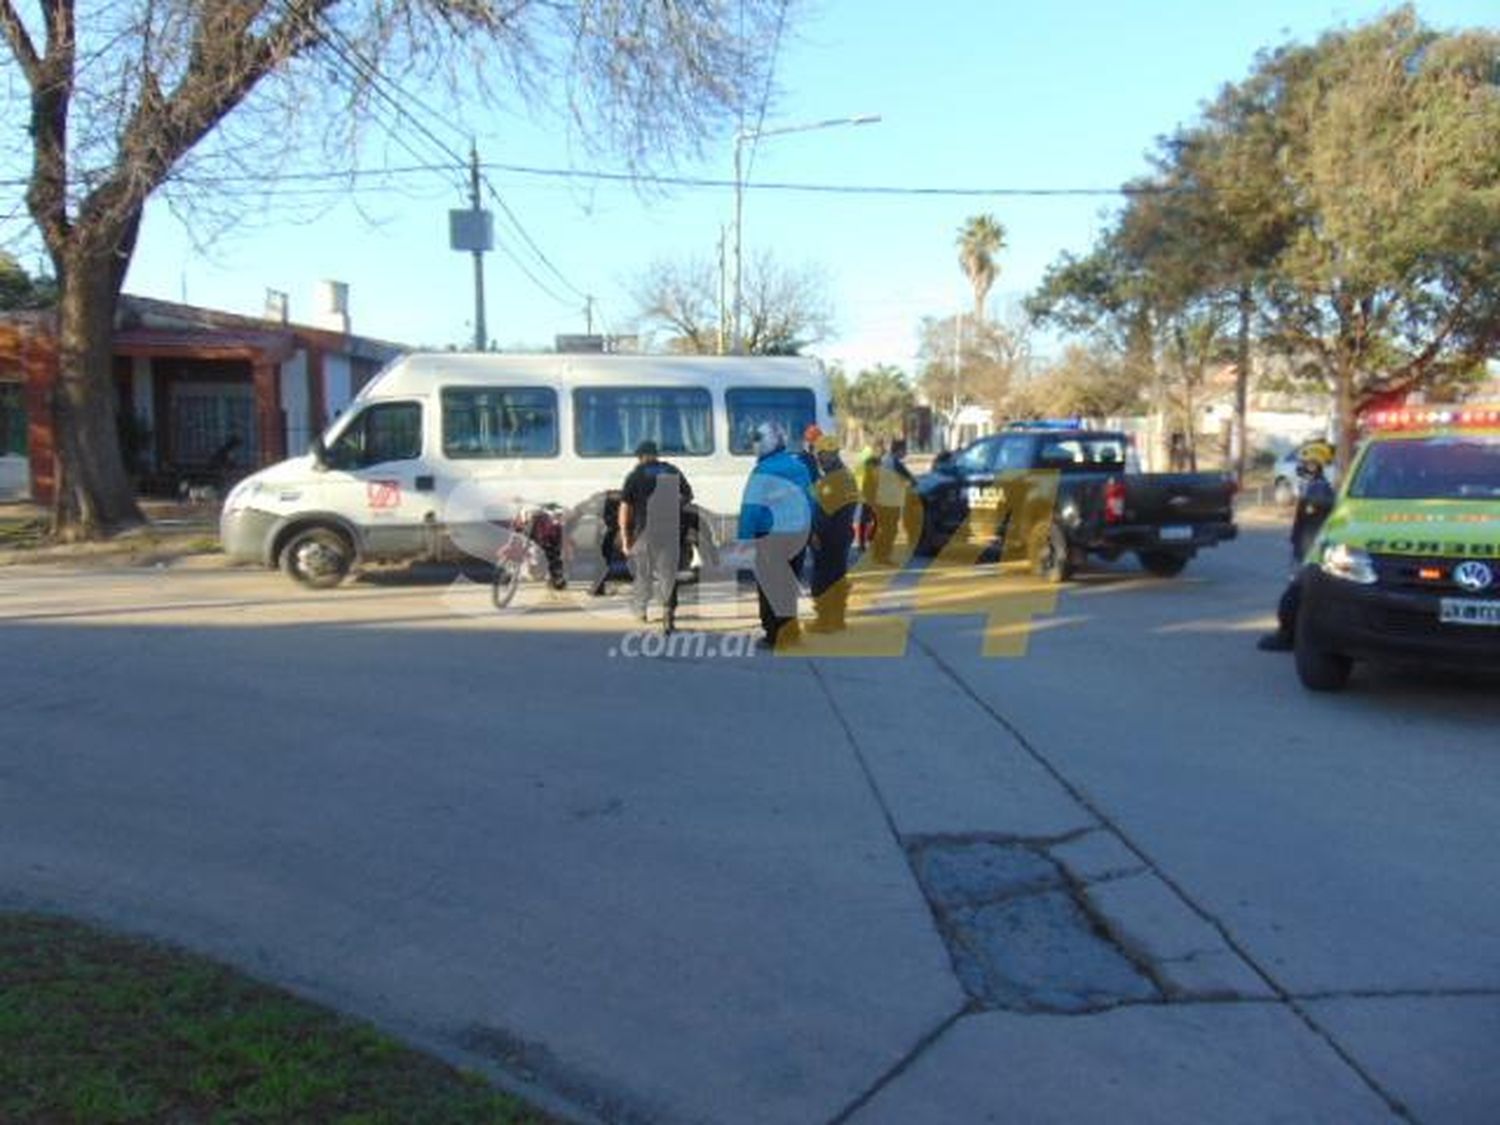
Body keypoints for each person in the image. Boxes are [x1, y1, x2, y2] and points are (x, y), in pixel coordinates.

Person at [737, 421, 812, 648]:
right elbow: (811, 500)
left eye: (757, 441)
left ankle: (773, 636)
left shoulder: (763, 471)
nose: (755, 446)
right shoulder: (800, 467)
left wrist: (744, 541)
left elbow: (751, 509)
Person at [1257, 444, 1337, 652]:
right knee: (1297, 596)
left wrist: (1305, 554)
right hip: (1303, 550)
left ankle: (1289, 636)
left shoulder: (1319, 489)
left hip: (1308, 553)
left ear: (1316, 466)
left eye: (1307, 464)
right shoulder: (1312, 487)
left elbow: (1313, 524)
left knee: (1292, 599)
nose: (1302, 467)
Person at [619, 439, 693, 634]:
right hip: (670, 531)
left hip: (645, 532)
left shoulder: (635, 475)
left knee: (643, 572)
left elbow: (625, 508)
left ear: (641, 456)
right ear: (656, 454)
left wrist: (625, 539)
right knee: (668, 574)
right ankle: (668, 618)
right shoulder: (671, 470)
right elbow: (688, 495)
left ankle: (641, 610)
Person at [808, 434, 858, 632]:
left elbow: (825, 513)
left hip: (830, 537)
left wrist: (816, 534)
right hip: (842, 534)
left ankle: (826, 621)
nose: (820, 459)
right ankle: (837, 619)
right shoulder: (845, 475)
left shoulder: (834, 480)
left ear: (832, 454)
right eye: (819, 455)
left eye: (823, 455)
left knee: (824, 579)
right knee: (837, 577)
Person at [871, 437, 917, 565]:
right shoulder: (894, 462)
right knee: (890, 529)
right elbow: (911, 479)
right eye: (904, 450)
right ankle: (884, 556)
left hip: (883, 500)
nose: (906, 453)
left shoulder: (886, 459)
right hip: (890, 501)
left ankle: (878, 555)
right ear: (899, 450)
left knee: (884, 528)